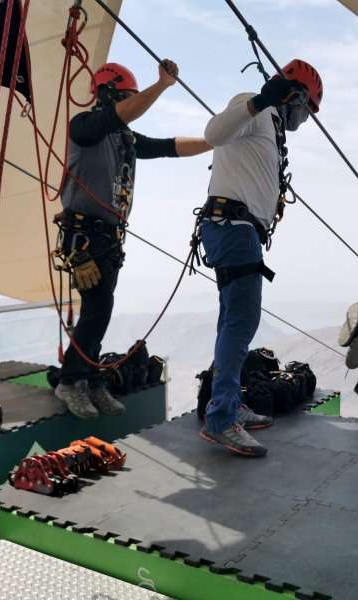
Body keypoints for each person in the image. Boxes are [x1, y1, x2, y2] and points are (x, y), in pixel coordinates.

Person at [54, 60, 212, 419]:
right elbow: (121, 116)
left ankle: (89, 378)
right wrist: (162, 86)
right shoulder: (85, 127)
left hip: (106, 238)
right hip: (85, 237)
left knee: (101, 308)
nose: (131, 106)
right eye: (125, 98)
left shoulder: (122, 138)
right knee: (97, 308)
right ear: (108, 96)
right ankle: (72, 380)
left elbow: (168, 146)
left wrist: (212, 141)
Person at [197, 59, 324, 457]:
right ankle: (221, 419)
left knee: (231, 321)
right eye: (305, 111)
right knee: (241, 321)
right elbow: (214, 133)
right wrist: (262, 100)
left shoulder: (269, 125)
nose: (301, 121)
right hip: (233, 228)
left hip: (237, 229)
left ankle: (228, 405)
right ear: (295, 96)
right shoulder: (254, 104)